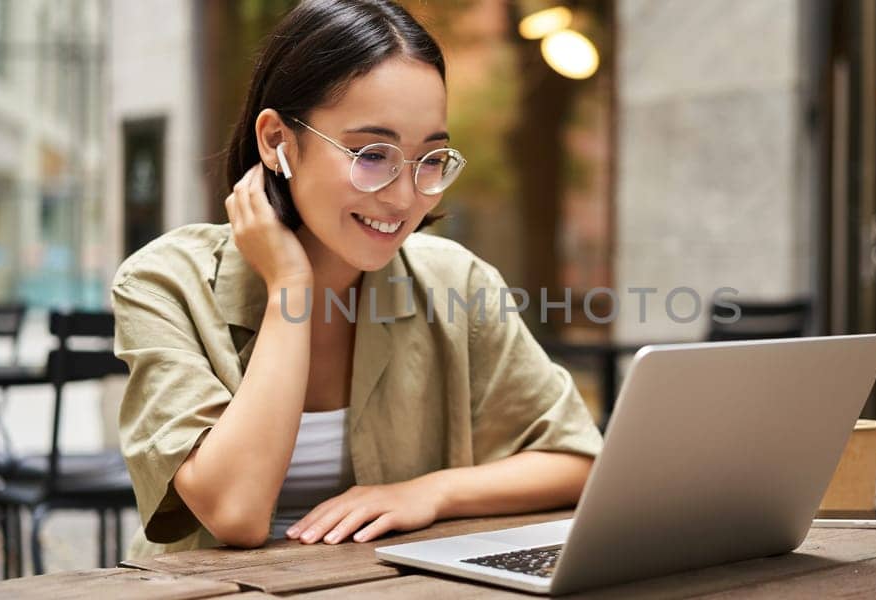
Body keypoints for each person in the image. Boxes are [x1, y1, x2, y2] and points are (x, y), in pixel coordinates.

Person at [112, 0, 603, 557]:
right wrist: (288, 287)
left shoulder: (456, 283)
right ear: (277, 141)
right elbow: (235, 512)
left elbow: (579, 461)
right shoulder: (164, 282)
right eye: (373, 154)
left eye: (431, 159)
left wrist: (429, 494)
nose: (403, 196)